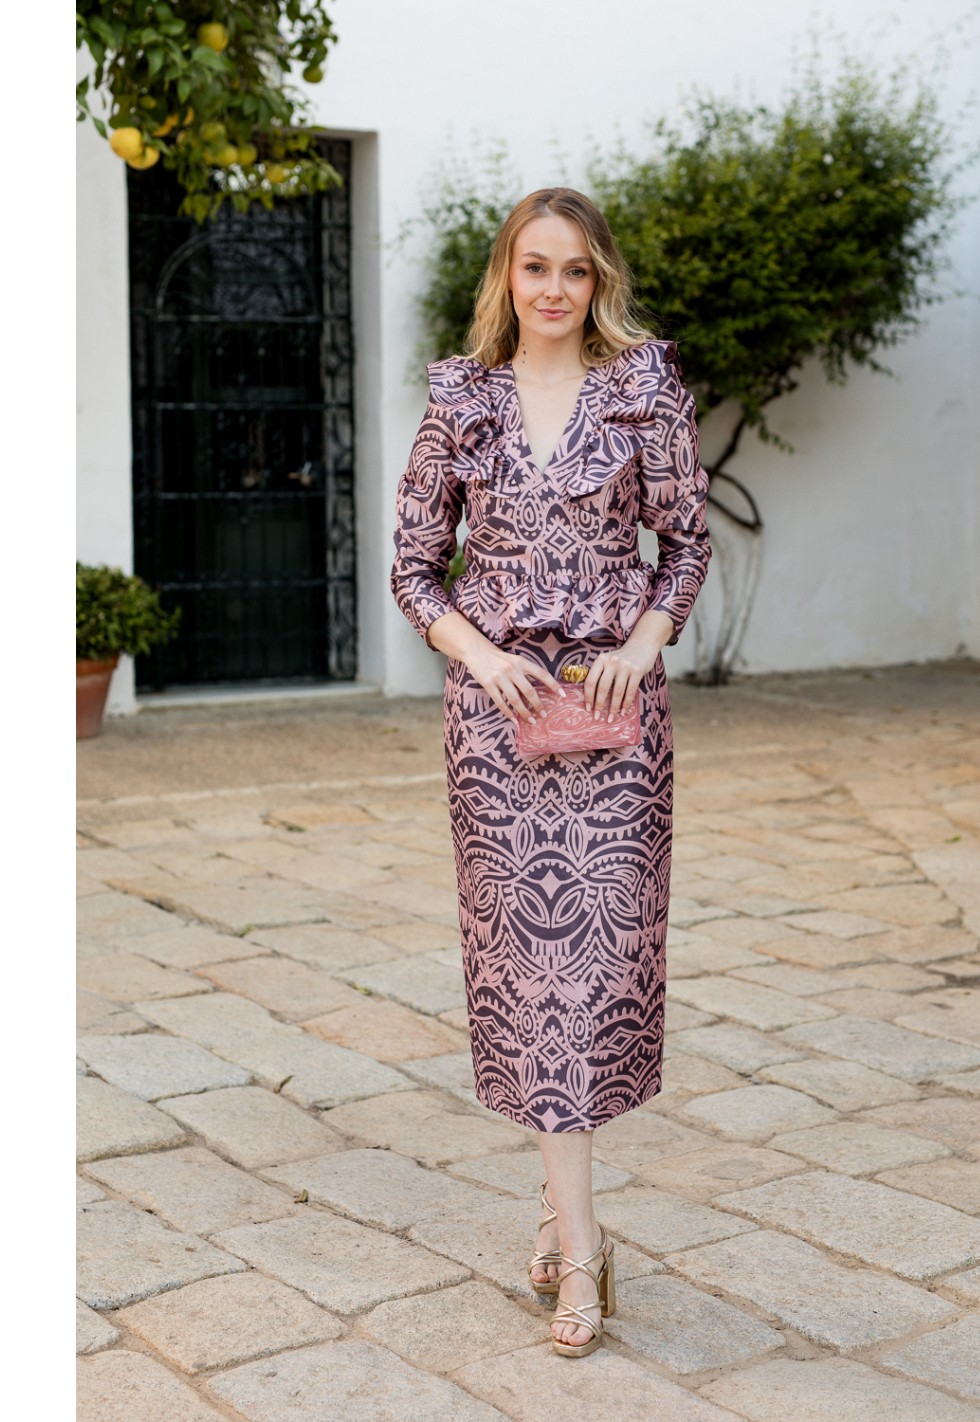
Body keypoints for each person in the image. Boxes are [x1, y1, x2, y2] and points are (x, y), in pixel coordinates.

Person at [390, 187, 711, 1358]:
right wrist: (480, 658)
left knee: (595, 975)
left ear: (598, 279)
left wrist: (640, 646)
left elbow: (686, 544)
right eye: (535, 267)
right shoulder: (460, 400)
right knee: (531, 983)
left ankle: (561, 1217)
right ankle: (579, 1246)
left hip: (616, 724)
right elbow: (413, 567)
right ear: (506, 277)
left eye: (575, 270)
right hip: (498, 730)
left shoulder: (643, 391)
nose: (554, 290)